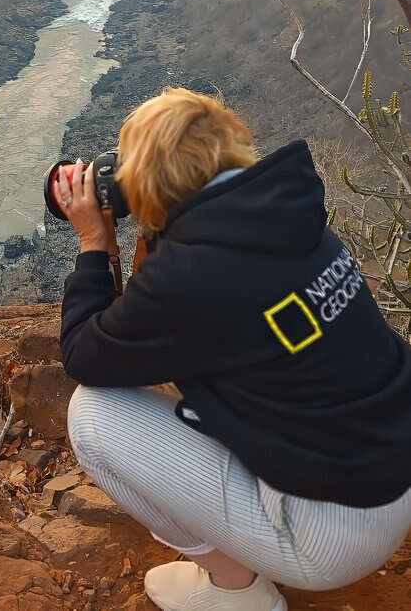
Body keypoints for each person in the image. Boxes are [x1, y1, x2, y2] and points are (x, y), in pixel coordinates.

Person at [56, 87, 411, 611]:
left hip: (326, 539)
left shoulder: (191, 278)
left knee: (92, 414)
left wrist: (94, 243)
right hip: (388, 477)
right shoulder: (293, 221)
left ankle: (236, 590)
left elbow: (85, 355)